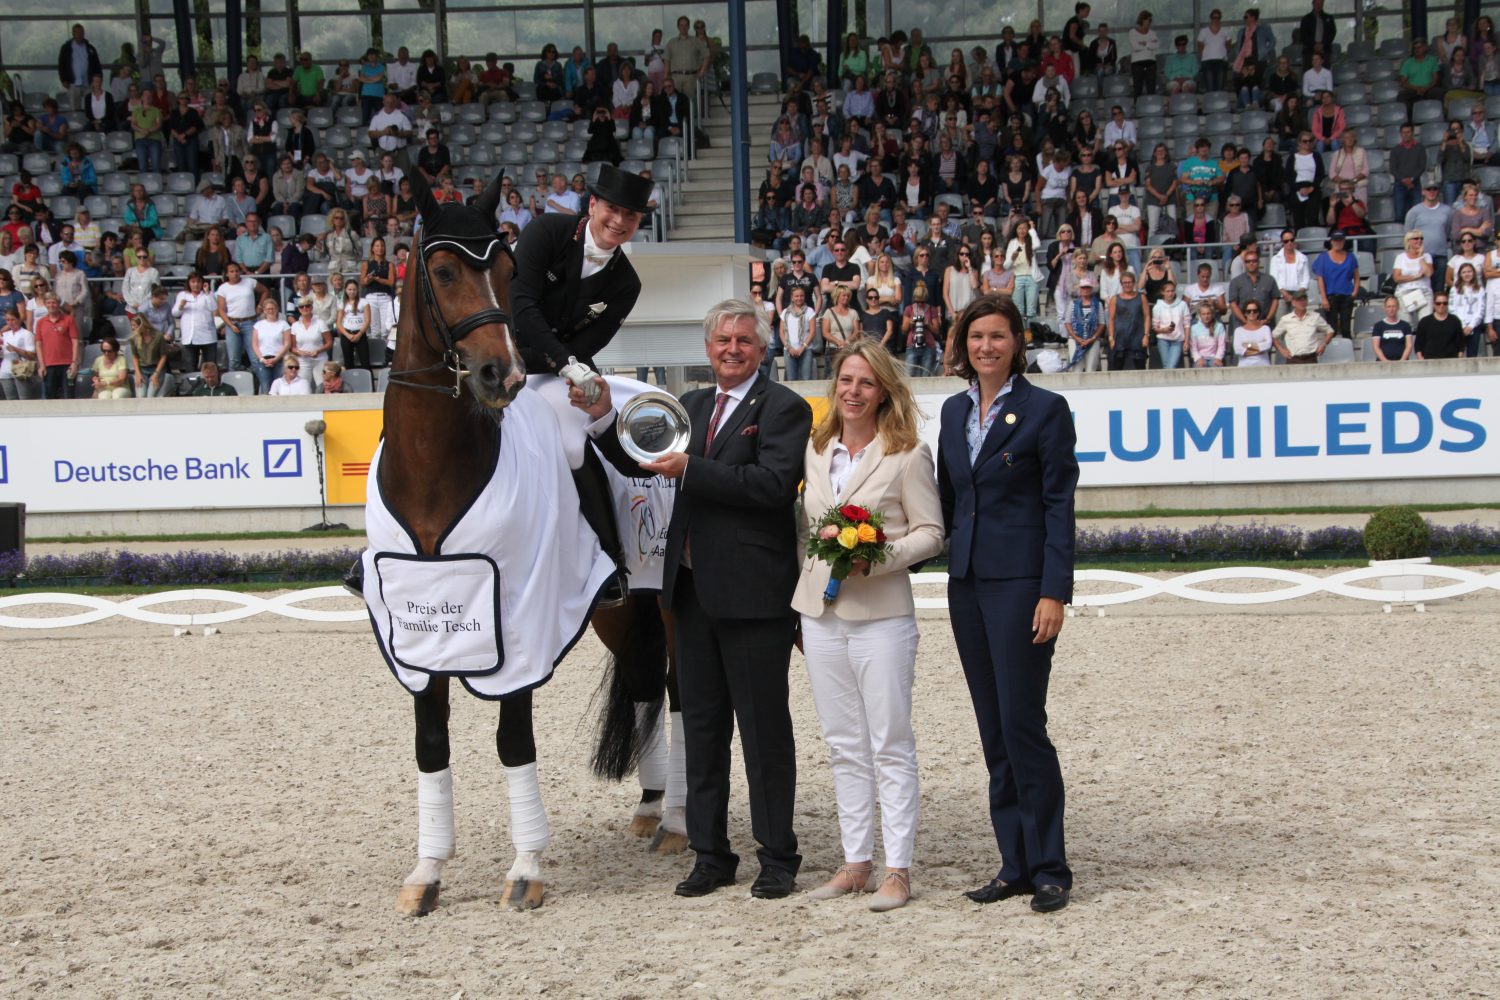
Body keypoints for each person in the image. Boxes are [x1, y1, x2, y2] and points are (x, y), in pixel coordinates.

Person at [573, 298, 811, 901]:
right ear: (708, 349)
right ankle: (711, 854)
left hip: (755, 598)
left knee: (763, 734)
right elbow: (643, 460)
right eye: (721, 340)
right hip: (692, 595)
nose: (731, 349)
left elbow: (773, 486)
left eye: (743, 340)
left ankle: (777, 856)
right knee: (702, 731)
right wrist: (603, 417)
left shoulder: (784, 408)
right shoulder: (694, 405)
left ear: (763, 348)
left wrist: (692, 470)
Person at [935, 293, 1077, 914]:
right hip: (965, 585)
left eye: (996, 336)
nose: (985, 347)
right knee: (993, 731)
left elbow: (1058, 506)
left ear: (1017, 342)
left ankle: (1049, 867)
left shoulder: (1046, 410)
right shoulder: (949, 412)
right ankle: (1012, 863)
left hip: (1021, 586)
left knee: (1024, 726)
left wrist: (1053, 591)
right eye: (975, 337)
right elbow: (946, 499)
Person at [793, 342, 945, 914]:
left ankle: (897, 869)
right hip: (821, 613)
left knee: (890, 742)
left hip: (882, 613)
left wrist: (875, 556)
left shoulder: (907, 455)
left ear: (883, 391)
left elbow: (932, 531)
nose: (853, 391)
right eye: (845, 380)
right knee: (842, 744)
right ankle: (855, 862)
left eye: (866, 383)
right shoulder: (815, 448)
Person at [1312, 231, 1359, 340]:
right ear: (1331, 241)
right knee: (1331, 328)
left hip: (1347, 295)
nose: (1338, 242)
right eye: (1336, 240)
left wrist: (1355, 291)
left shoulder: (1350, 257)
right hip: (1330, 296)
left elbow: (1356, 275)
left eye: (1340, 240)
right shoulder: (1323, 257)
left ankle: (1348, 352)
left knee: (1346, 328)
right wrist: (1323, 298)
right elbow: (1320, 278)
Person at [1271, 289, 1335, 363]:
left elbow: (1330, 331)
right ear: (1293, 303)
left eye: (1304, 300)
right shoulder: (1286, 319)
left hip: (1311, 357)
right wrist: (1281, 350)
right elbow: (1273, 336)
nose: (1302, 302)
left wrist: (1323, 344)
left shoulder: (1315, 317)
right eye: (1299, 300)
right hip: (1293, 358)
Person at [248, 296, 291, 393]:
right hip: (264, 360)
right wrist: (262, 359)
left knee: (279, 388)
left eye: (272, 308)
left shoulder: (283, 324)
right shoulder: (258, 325)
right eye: (268, 309)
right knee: (265, 387)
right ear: (264, 310)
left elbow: (287, 343)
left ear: (277, 309)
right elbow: (254, 344)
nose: (270, 311)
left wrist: (276, 358)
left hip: (280, 360)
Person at [1391, 230, 1435, 323]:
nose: (1419, 240)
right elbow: (1396, 277)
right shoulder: (1401, 257)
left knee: (1426, 323)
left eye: (1421, 238)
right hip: (1405, 292)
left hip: (1424, 291)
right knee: (1406, 324)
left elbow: (1429, 273)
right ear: (1408, 241)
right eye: (1416, 238)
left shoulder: (1427, 256)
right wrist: (1416, 276)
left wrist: (1420, 257)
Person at [57, 24, 103, 110]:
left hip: (88, 83)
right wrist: (63, 79)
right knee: (75, 107)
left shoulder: (90, 48)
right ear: (73, 33)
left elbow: (97, 65)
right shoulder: (66, 48)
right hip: (73, 83)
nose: (79, 35)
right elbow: (62, 65)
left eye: (81, 32)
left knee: (90, 107)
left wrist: (98, 80)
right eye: (77, 33)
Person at [127, 312, 173, 397]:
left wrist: (156, 373)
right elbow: (135, 356)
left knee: (150, 395)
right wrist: (137, 373)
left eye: (134, 325)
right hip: (142, 369)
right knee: (141, 395)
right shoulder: (134, 339)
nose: (132, 328)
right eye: (132, 325)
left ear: (141, 325)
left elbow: (163, 356)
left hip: (156, 368)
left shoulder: (158, 336)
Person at [0, 306, 41, 400]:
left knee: (24, 398)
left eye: (12, 320)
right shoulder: (5, 335)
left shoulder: (26, 334)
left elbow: (32, 355)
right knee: (10, 399)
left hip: (21, 370)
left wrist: (16, 349)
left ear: (19, 319)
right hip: (5, 370)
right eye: (7, 320)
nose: (10, 322)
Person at [1449, 263, 1489, 358]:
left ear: (1474, 273)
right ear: (1460, 274)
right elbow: (1452, 309)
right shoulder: (1454, 289)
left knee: (1472, 355)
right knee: (1457, 354)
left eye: (1469, 271)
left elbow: (1481, 309)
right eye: (1464, 272)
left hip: (1474, 326)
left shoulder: (1480, 289)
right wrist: (1462, 325)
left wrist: (1471, 326)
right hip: (1458, 326)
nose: (1467, 274)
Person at [780, 284, 818, 381]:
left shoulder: (809, 311)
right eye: (796, 296)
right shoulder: (785, 312)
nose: (799, 298)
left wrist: (802, 348)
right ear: (792, 297)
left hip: (806, 350)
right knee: (791, 379)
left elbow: (812, 332)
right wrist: (789, 348)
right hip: (789, 350)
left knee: (806, 378)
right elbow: (781, 332)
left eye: (801, 296)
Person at [1414, 293, 1464, 359]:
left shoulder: (1455, 321)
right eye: (1438, 303)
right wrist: (1421, 360)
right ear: (1433, 304)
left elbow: (1461, 344)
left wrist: (1458, 360)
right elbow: (1418, 345)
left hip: (1451, 361)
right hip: (1429, 361)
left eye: (1445, 303)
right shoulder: (1425, 321)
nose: (1441, 305)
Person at [1369, 295, 1414, 362]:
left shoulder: (1406, 325)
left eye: (1394, 306)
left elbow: (1409, 345)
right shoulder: (1378, 326)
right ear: (1384, 308)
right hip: (1383, 363)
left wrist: (1402, 361)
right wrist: (1385, 361)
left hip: (1402, 363)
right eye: (1389, 306)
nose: (1391, 309)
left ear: (1398, 307)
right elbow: (1376, 347)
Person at [1232, 301, 1274, 365]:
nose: (1252, 313)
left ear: (1258, 313)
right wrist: (1260, 350)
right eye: (1249, 311)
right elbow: (1237, 349)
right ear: (1245, 313)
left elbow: (1268, 345)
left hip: (1263, 365)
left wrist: (1249, 346)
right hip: (1244, 365)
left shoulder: (1265, 328)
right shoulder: (1238, 331)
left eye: (1255, 311)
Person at [1189, 301, 1226, 367]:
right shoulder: (1194, 328)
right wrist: (1198, 359)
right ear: (1200, 315)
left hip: (1214, 358)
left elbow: (1221, 346)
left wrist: (1218, 358)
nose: (1206, 316)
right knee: (1200, 367)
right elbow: (1193, 348)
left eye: (1208, 314)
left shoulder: (1219, 326)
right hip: (1200, 358)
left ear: (1212, 314)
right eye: (1203, 314)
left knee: (1217, 367)